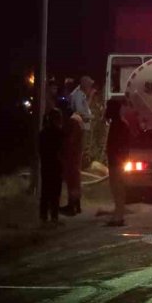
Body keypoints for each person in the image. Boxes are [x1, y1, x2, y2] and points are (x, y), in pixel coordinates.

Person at [62, 76, 94, 216]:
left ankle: (73, 205)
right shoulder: (77, 120)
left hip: (73, 154)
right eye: (89, 86)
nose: (90, 89)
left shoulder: (80, 96)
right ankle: (75, 205)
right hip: (74, 152)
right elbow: (84, 113)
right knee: (74, 175)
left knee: (73, 176)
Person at [104, 99, 130, 227]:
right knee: (117, 188)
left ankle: (119, 216)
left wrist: (120, 158)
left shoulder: (119, 125)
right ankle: (118, 214)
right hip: (116, 161)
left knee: (117, 188)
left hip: (117, 162)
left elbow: (122, 144)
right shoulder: (119, 123)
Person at [39, 102, 65, 224]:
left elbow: (39, 149)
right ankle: (54, 216)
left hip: (46, 164)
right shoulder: (59, 133)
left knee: (45, 190)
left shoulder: (43, 133)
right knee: (55, 191)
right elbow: (62, 149)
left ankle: (43, 215)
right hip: (56, 164)